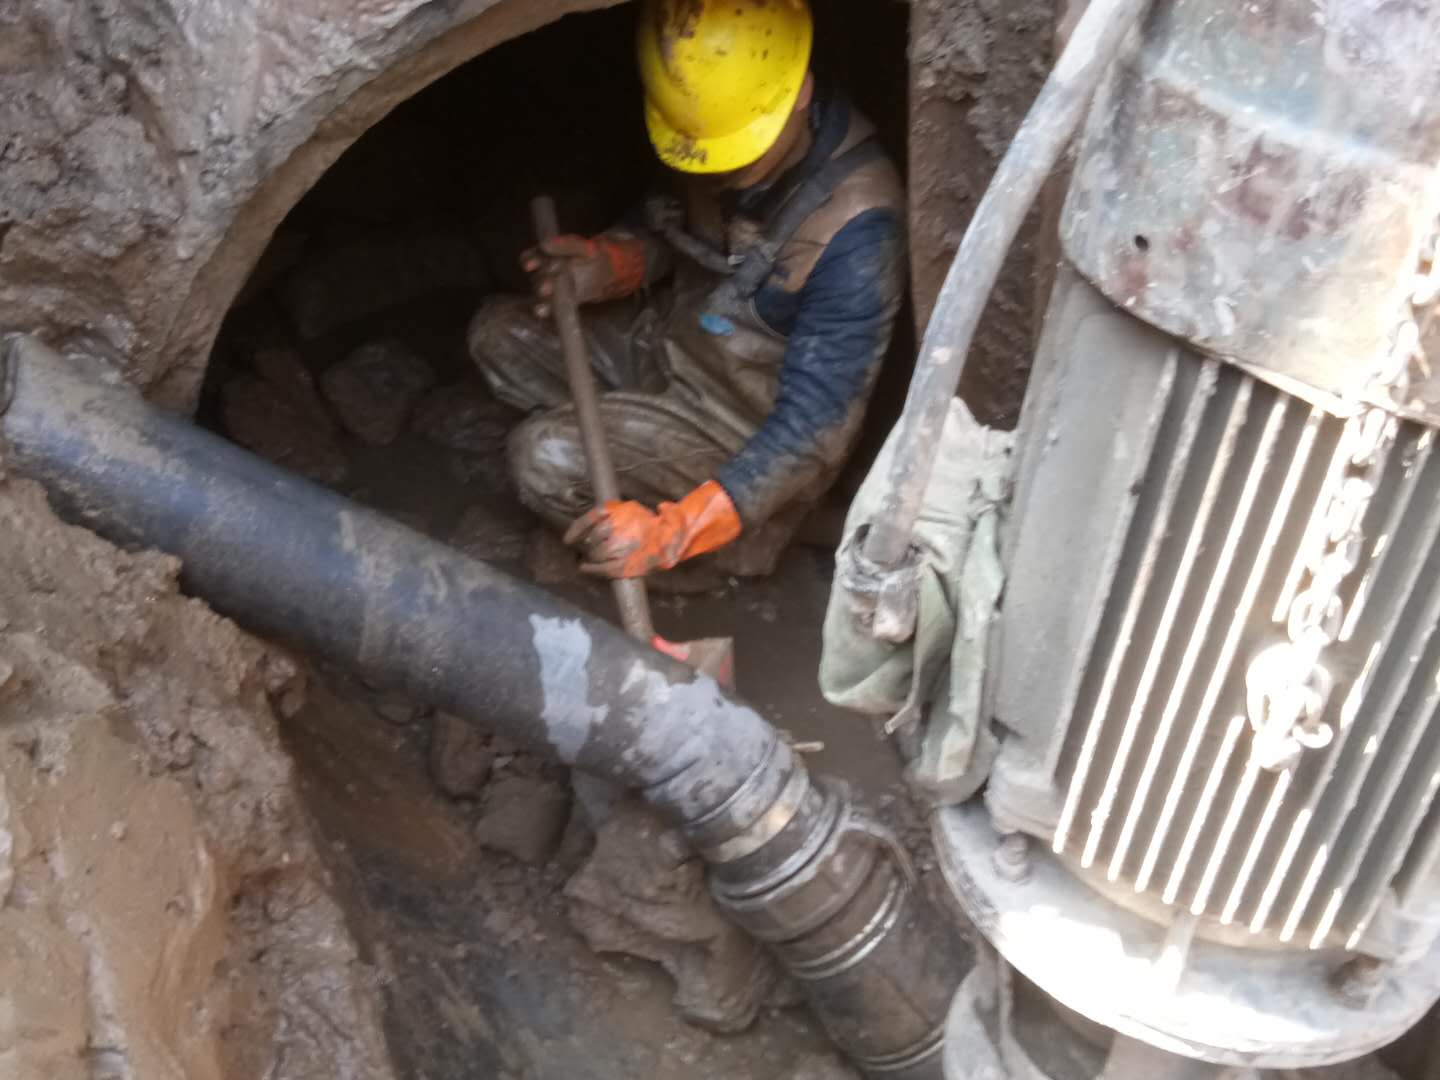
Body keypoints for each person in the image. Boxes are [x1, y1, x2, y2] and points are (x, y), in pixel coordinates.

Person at [468, 0, 906, 581]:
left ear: (800, 91)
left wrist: (673, 531)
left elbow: (810, 432)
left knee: (541, 457)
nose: (715, 169)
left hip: (739, 431)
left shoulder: (859, 229)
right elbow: (669, 226)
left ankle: (718, 553)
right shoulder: (711, 121)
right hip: (673, 348)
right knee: (497, 335)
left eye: (735, 152)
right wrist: (610, 263)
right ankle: (621, 446)